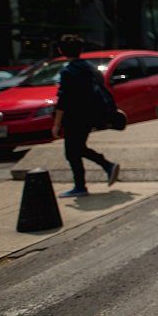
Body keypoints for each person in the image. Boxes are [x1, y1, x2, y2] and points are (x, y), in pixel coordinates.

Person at [51, 35, 119, 197]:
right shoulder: (90, 67)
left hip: (74, 117)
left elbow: (64, 99)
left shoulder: (68, 72)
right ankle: (106, 166)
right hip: (90, 116)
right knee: (77, 149)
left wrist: (56, 123)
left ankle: (83, 185)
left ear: (61, 50)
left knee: (72, 152)